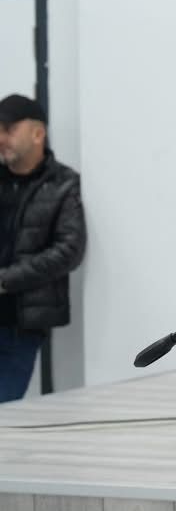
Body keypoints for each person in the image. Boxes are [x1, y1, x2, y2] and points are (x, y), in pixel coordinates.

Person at [0, 94, 85, 402]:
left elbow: (68, 250)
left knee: (5, 409)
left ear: (38, 134)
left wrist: (5, 280)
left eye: (9, 129)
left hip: (20, 325)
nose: (1, 138)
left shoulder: (64, 184)